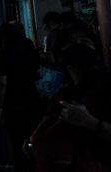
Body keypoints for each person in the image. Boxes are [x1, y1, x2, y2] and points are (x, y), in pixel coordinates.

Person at [30, 25, 111, 168]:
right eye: (72, 44)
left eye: (84, 42)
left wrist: (91, 122)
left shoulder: (106, 85)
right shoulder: (63, 94)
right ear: (60, 56)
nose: (79, 47)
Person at [0, 22, 44, 170]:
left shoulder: (3, 54)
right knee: (33, 136)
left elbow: (2, 82)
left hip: (12, 102)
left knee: (16, 141)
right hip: (32, 98)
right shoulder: (28, 47)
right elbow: (38, 72)